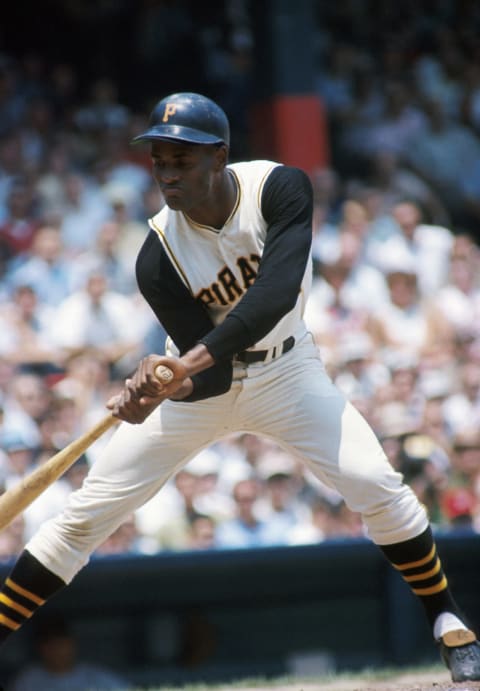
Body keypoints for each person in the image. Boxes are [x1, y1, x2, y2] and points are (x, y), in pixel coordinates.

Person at [0, 92, 478, 683]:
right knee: (83, 517)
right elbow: (216, 380)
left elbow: (274, 296)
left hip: (287, 369)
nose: (168, 173)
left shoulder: (279, 189)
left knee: (374, 482)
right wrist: (163, 391)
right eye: (160, 160)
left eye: (182, 159)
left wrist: (182, 368)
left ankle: (446, 619)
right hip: (201, 382)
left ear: (219, 155)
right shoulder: (157, 255)